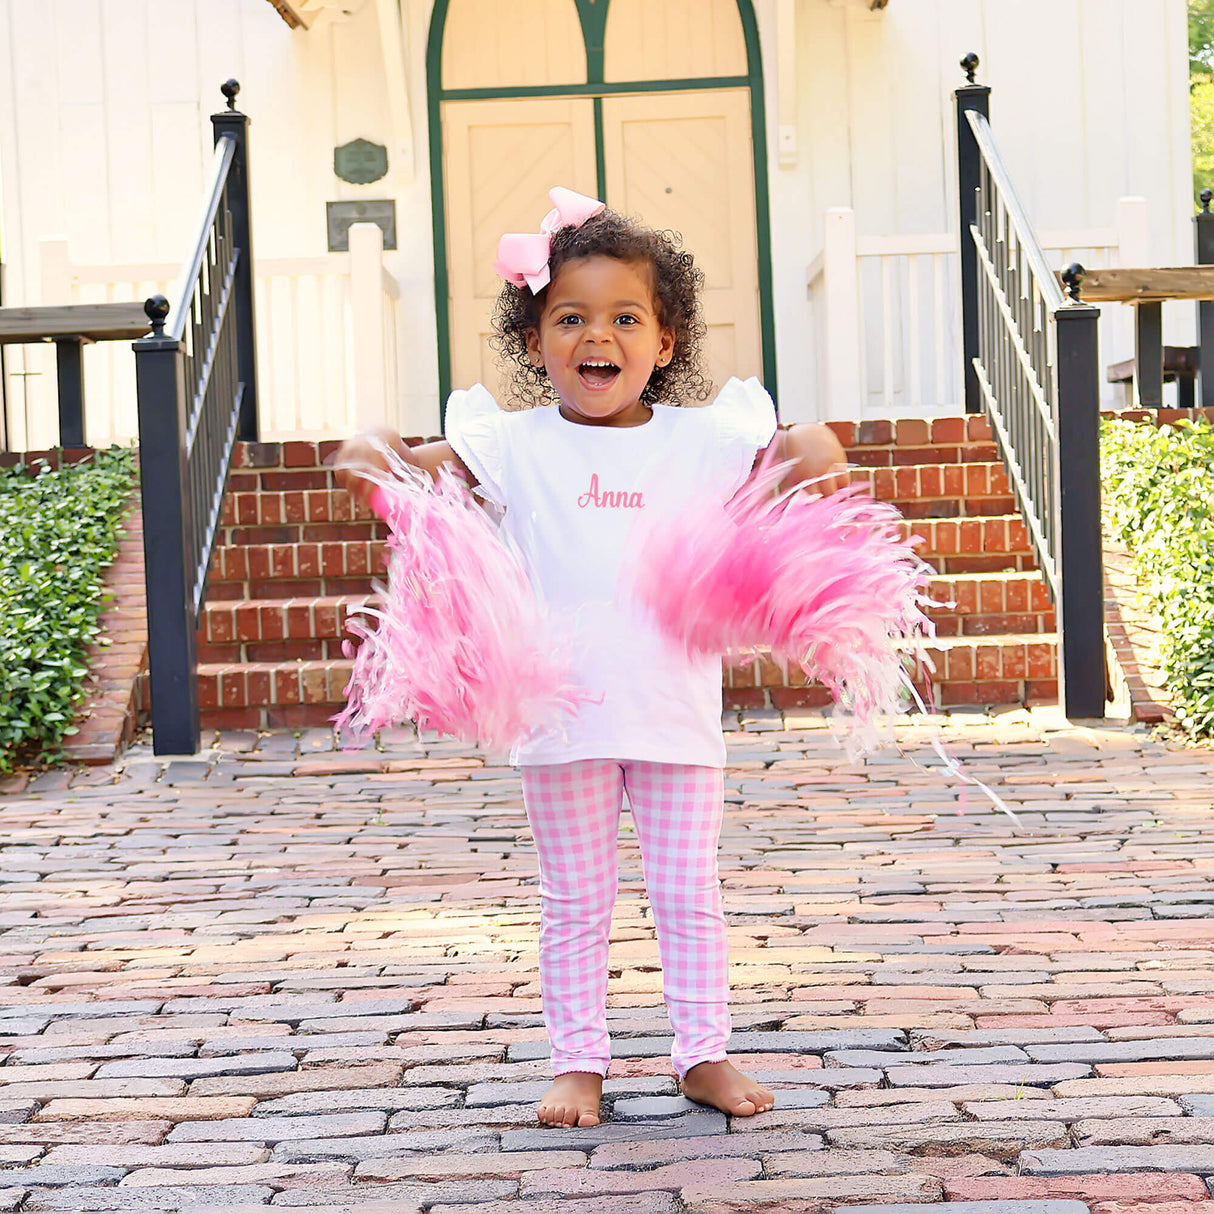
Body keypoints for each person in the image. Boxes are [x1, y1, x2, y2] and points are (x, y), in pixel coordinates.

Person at [337, 188, 846, 1129]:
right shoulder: (512, 446)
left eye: (624, 318)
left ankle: (702, 1053)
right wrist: (376, 451)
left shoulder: (705, 440)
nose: (595, 336)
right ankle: (579, 1062)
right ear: (535, 342)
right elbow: (400, 466)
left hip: (672, 712)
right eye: (569, 318)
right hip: (562, 715)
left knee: (687, 894)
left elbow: (800, 461)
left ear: (666, 340)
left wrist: (815, 449)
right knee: (574, 899)